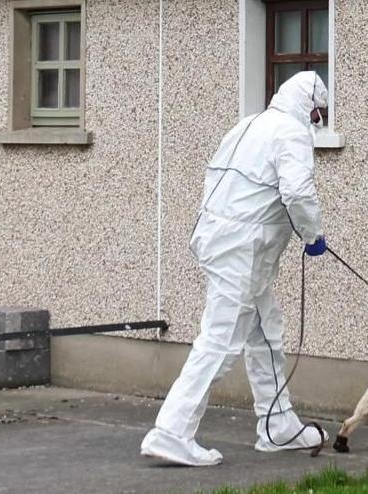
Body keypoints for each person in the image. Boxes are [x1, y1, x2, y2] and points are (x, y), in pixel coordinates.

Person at [140, 71, 329, 466]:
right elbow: (296, 191)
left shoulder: (249, 125)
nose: (317, 123)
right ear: (309, 108)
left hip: (223, 241)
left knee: (264, 332)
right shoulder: (291, 133)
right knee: (221, 340)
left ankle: (278, 425)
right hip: (243, 250)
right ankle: (172, 431)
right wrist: (312, 234)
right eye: (317, 116)